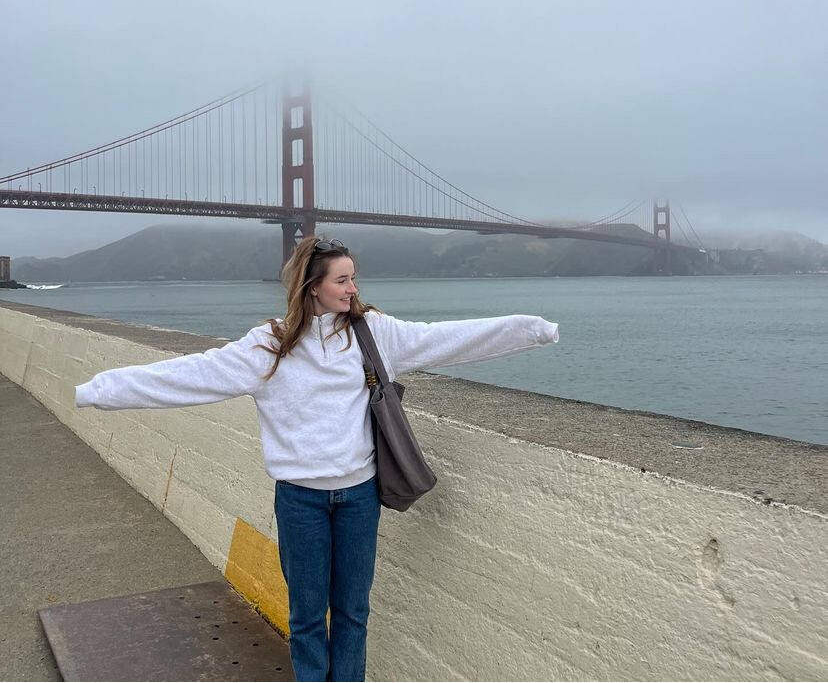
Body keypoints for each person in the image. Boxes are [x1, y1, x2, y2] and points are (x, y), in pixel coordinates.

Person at [75, 236, 560, 681]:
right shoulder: (269, 346)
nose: (353, 289)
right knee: (307, 617)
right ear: (312, 287)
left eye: (353, 278)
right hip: (301, 502)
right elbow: (190, 376)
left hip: (360, 498)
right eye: (342, 280)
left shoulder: (373, 334)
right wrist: (98, 391)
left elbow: (449, 339)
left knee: (353, 613)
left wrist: (532, 330)